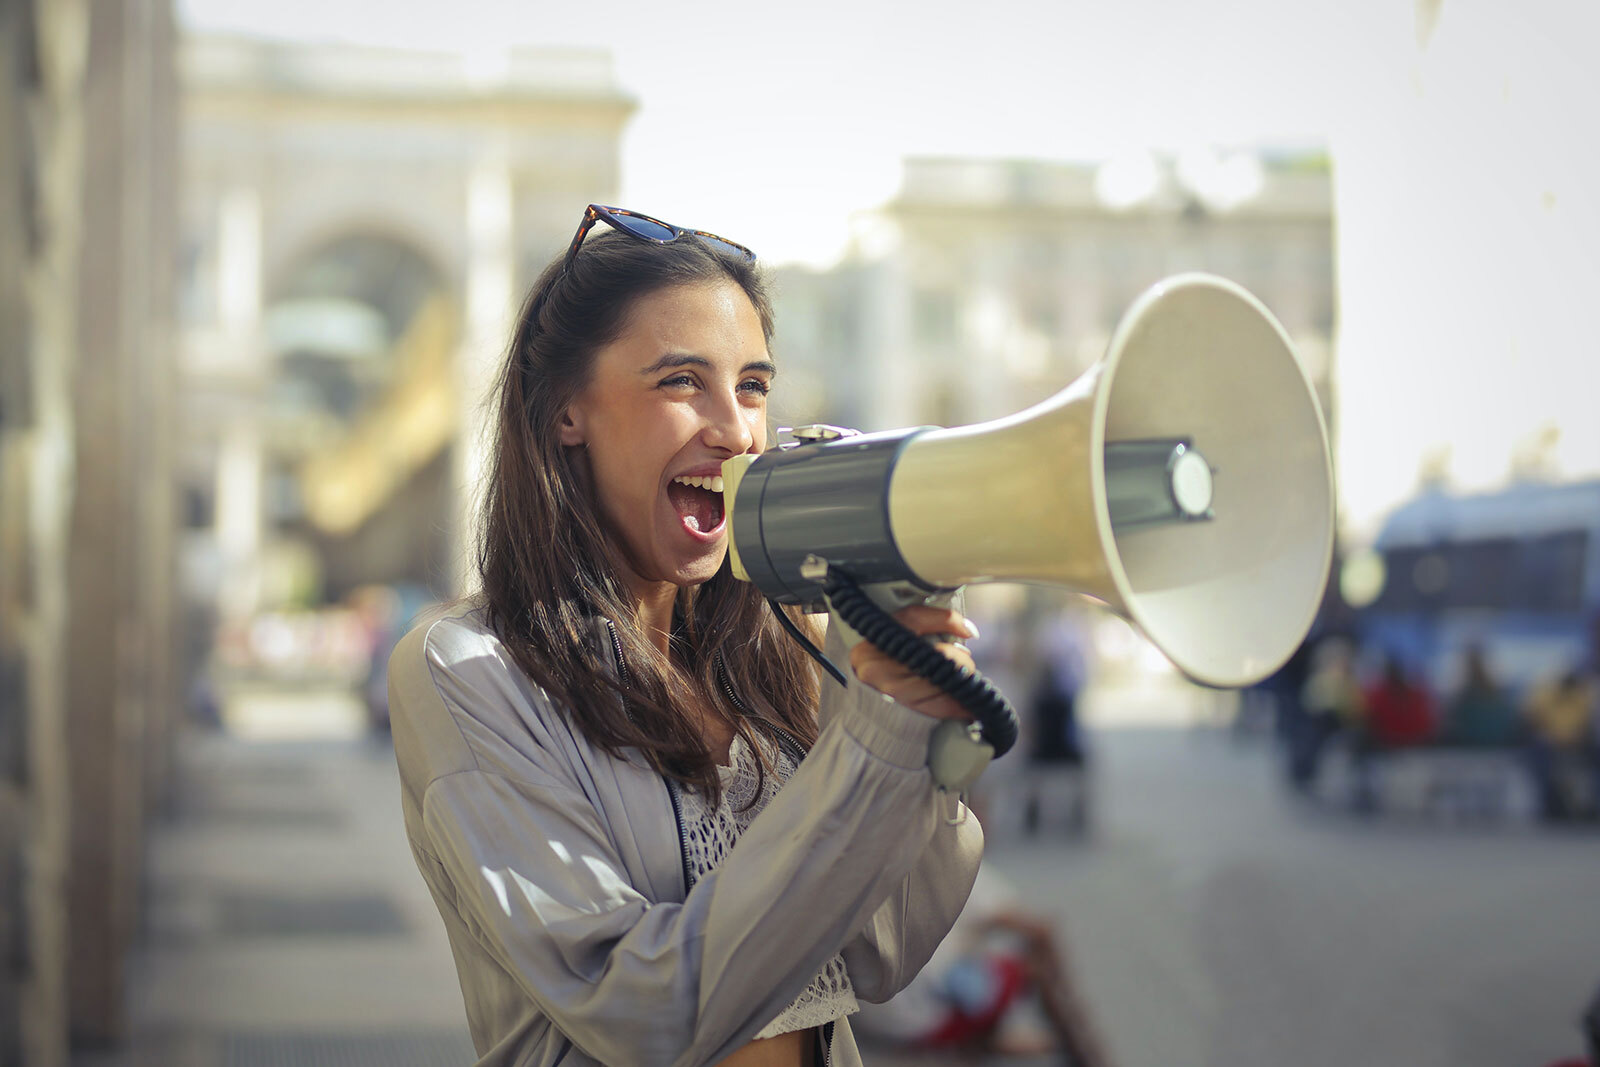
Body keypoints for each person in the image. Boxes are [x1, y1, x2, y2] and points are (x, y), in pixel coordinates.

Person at [386, 205, 985, 1067]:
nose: (736, 429)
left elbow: (880, 950)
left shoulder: (784, 647)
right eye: (680, 382)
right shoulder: (467, 669)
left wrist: (912, 735)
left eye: (752, 386)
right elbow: (639, 1010)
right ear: (565, 412)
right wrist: (868, 747)